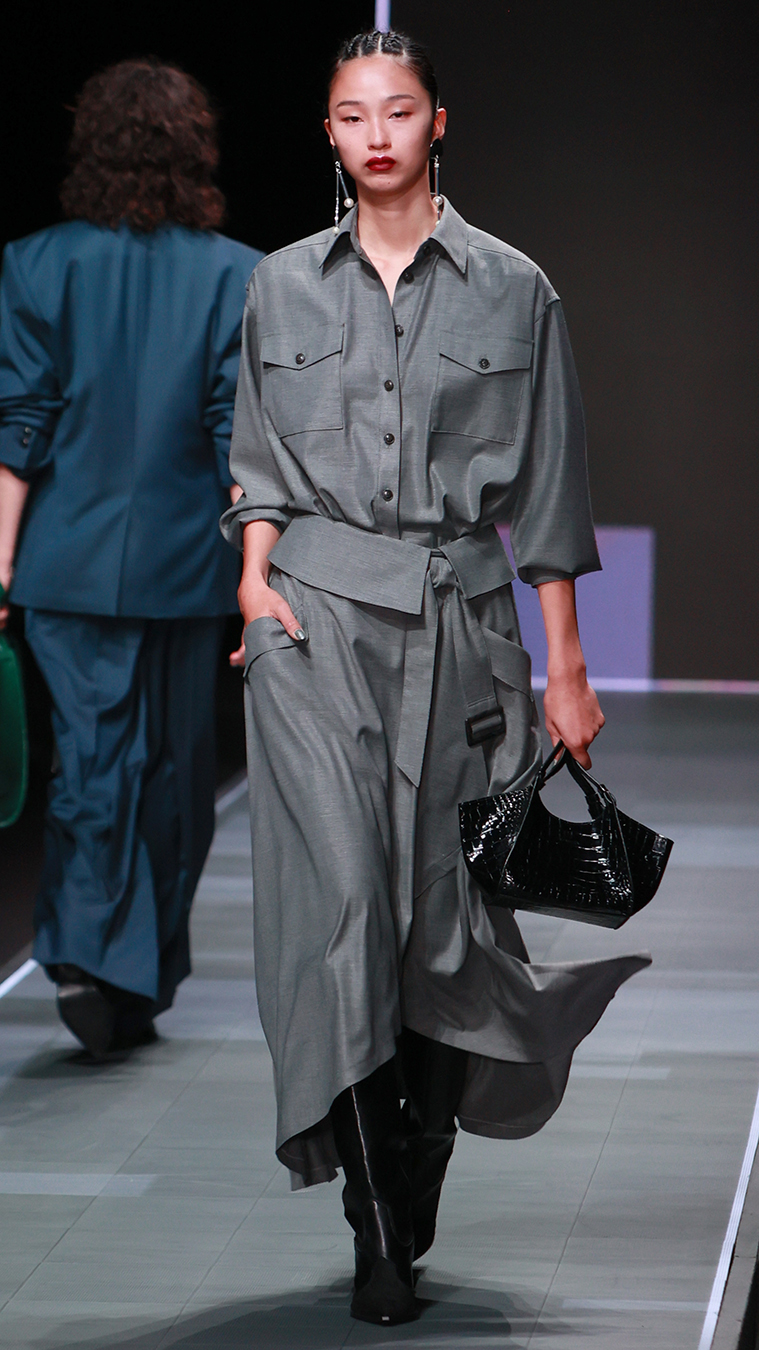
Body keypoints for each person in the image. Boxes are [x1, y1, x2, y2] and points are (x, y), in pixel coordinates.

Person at [222, 29, 649, 1326]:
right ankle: (372, 1220)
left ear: (435, 122)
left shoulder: (514, 288)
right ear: (329, 132)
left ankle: (412, 1177)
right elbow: (256, 457)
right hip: (312, 629)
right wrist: (253, 584)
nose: (376, 135)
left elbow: (550, 492)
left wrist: (565, 668)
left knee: (442, 927)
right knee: (341, 910)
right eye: (352, 115)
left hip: (461, 630)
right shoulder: (277, 286)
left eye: (397, 111)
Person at [0, 59, 263, 1058]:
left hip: (65, 560)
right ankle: (128, 974)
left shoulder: (36, 262)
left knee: (92, 758)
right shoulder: (239, 274)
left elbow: (22, 424)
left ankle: (89, 957)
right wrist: (256, 571)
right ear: (195, 148)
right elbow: (236, 437)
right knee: (176, 771)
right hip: (188, 563)